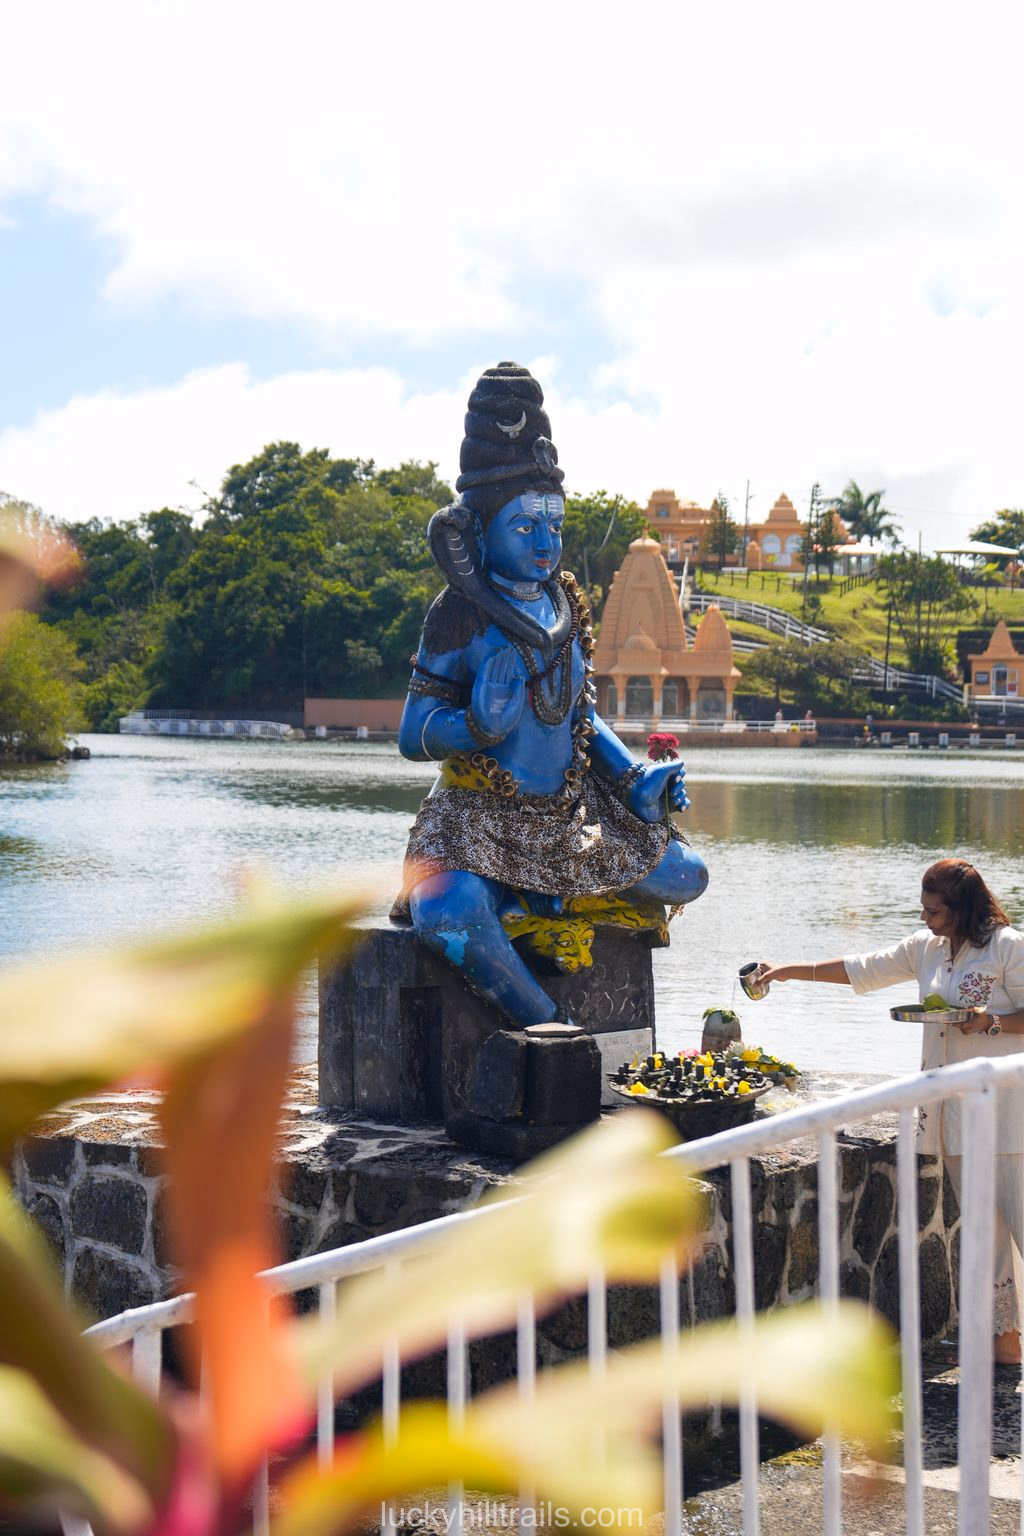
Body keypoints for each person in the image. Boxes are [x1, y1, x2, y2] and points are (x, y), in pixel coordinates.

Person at [395, 362, 709, 1029]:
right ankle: (548, 1026)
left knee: (687, 874)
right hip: (478, 816)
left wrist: (633, 780)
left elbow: (579, 715)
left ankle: (539, 902)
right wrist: (475, 724)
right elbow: (412, 730)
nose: (545, 544)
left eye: (555, 527)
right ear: (476, 533)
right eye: (525, 528)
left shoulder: (563, 601)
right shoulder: (460, 613)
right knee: (446, 912)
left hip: (567, 815)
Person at [760, 858, 1024, 1364]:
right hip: (952, 1115)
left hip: (1010, 1114)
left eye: (935, 912)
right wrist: (789, 971)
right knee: (985, 1228)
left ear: (963, 909)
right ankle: (1005, 1341)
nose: (925, 919)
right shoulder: (926, 950)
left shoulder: (1008, 947)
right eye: (922, 910)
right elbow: (864, 968)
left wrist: (989, 1023)